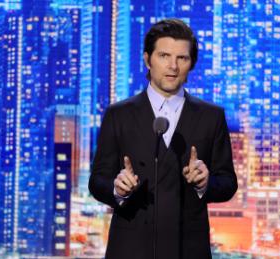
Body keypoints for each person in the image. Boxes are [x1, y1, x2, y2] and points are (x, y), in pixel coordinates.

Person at [89, 18, 237, 259]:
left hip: (188, 248)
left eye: (182, 58)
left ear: (192, 64)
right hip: (130, 248)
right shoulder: (119, 115)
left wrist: (204, 183)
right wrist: (118, 189)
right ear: (147, 60)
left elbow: (228, 183)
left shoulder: (212, 117)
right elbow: (97, 181)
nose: (173, 66)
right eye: (164, 56)